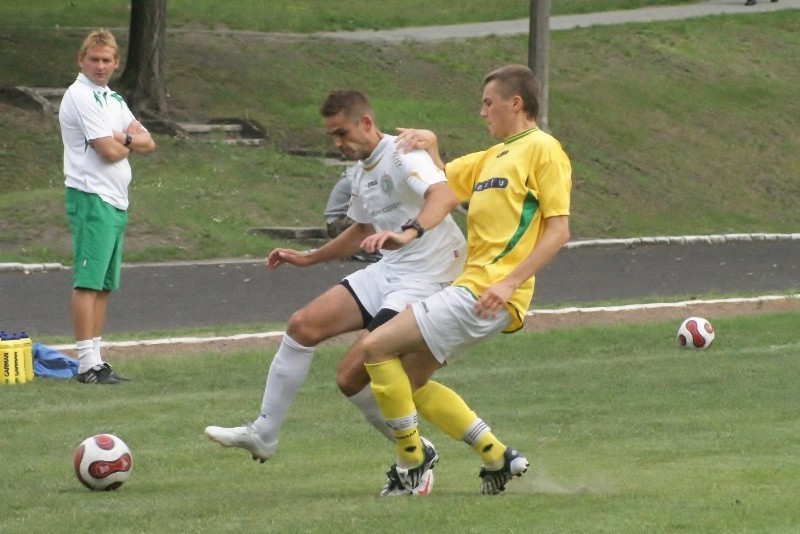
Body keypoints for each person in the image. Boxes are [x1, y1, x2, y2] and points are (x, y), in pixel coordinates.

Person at [205, 89, 467, 496]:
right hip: (392, 269)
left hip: (429, 276)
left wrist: (408, 232)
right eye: (331, 136)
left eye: (341, 133)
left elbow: (446, 194)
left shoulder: (404, 154)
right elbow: (362, 230)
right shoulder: (362, 171)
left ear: (366, 122)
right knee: (302, 326)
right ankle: (264, 435)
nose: (337, 144)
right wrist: (308, 258)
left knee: (352, 374)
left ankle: (417, 455)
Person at [358, 64, 573, 495]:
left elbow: (558, 230)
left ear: (517, 103)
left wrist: (510, 283)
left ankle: (411, 460)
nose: (482, 112)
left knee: (374, 348)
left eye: (488, 103)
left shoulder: (543, 149)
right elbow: (445, 186)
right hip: (474, 291)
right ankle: (497, 455)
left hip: (487, 293)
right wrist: (433, 146)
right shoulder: (490, 157)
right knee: (408, 381)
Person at [59, 29, 155, 385]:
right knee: (88, 281)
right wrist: (124, 140)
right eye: (93, 59)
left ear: (116, 63)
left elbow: (149, 141)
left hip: (115, 199)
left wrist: (123, 136)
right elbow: (110, 151)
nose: (100, 66)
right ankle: (86, 364)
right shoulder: (80, 96)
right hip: (90, 196)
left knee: (103, 284)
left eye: (106, 60)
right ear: (81, 60)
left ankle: (96, 361)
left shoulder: (112, 99)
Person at [324, 165, 381, 262]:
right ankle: (360, 250)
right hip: (336, 223)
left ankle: (372, 249)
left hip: (346, 219)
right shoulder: (354, 179)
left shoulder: (361, 176)